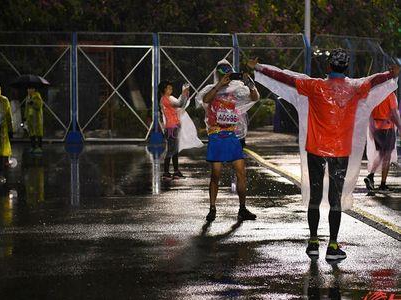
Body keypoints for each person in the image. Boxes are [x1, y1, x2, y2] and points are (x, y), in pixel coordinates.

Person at [248, 48, 399, 261]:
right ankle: (333, 246)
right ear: (346, 68)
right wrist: (390, 74)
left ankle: (312, 242)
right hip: (340, 152)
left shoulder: (314, 86)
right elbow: (374, 81)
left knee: (315, 197)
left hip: (315, 149)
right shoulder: (355, 88)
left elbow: (285, 77)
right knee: (335, 199)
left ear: (329, 67)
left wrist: (259, 68)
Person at [196, 59, 260, 222]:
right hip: (216, 135)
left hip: (231, 135)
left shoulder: (237, 91)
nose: (226, 76)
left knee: (241, 173)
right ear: (217, 74)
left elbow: (255, 98)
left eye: (228, 74)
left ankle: (242, 208)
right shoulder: (212, 89)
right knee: (215, 174)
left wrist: (250, 84)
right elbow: (205, 100)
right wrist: (218, 86)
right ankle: (212, 208)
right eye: (222, 74)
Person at [365, 92, 401, 191]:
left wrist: (372, 128)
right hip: (387, 127)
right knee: (386, 156)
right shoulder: (390, 95)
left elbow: (369, 112)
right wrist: (399, 126)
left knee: (381, 154)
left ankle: (371, 176)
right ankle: (382, 184)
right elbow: (394, 113)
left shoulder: (375, 93)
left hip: (376, 127)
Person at [159, 80, 189, 180]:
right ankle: (166, 172)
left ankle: (176, 172)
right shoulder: (165, 99)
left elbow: (181, 104)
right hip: (171, 128)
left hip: (173, 126)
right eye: (168, 88)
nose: (171, 89)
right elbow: (180, 104)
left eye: (171, 88)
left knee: (174, 150)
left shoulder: (167, 98)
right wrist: (184, 93)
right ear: (164, 89)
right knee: (171, 150)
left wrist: (184, 94)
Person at [24, 86, 44, 153]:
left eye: (30, 88)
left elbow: (39, 105)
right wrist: (25, 117)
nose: (28, 90)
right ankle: (33, 147)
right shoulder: (27, 97)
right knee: (31, 132)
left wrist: (33, 103)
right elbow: (26, 108)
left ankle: (39, 147)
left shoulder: (37, 96)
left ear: (34, 89)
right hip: (30, 118)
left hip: (36, 118)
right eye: (28, 89)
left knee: (38, 132)